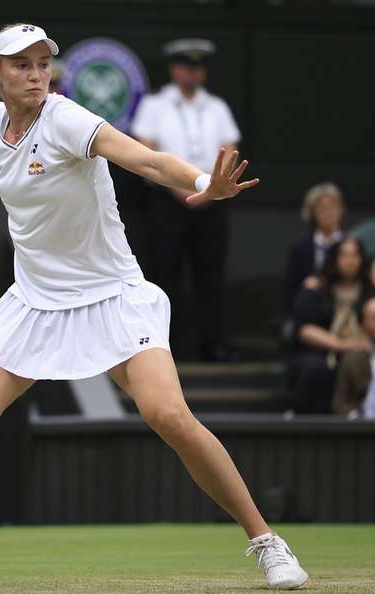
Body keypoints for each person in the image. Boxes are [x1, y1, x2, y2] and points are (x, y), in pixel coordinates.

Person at [0, 24, 307, 591]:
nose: (36, 73)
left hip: (113, 297)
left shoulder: (67, 119)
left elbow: (142, 159)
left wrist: (200, 182)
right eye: (21, 65)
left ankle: (268, 544)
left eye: (43, 63)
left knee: (169, 416)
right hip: (35, 305)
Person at [130, 38, 241, 361]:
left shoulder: (217, 107)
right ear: (174, 69)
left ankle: (213, 344)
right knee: (166, 272)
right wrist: (178, 188)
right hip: (168, 200)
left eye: (198, 67)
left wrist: (212, 188)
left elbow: (231, 148)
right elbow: (145, 148)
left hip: (213, 199)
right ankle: (168, 345)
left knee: (211, 272)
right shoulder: (155, 105)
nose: (193, 73)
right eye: (186, 66)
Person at [290, 238, 375, 413]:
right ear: (334, 260)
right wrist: (343, 345)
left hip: (367, 351)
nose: (350, 261)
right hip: (325, 354)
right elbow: (305, 329)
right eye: (344, 255)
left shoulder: (373, 292)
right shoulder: (317, 290)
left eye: (355, 255)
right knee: (314, 368)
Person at [282, 182, 344, 313]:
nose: (328, 213)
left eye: (332, 207)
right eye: (322, 209)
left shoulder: (351, 244)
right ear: (312, 213)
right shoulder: (300, 248)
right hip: (310, 309)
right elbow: (288, 290)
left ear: (340, 209)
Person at [331, 297, 375, 418]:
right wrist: (357, 418)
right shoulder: (351, 360)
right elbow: (340, 402)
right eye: (374, 318)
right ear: (363, 324)